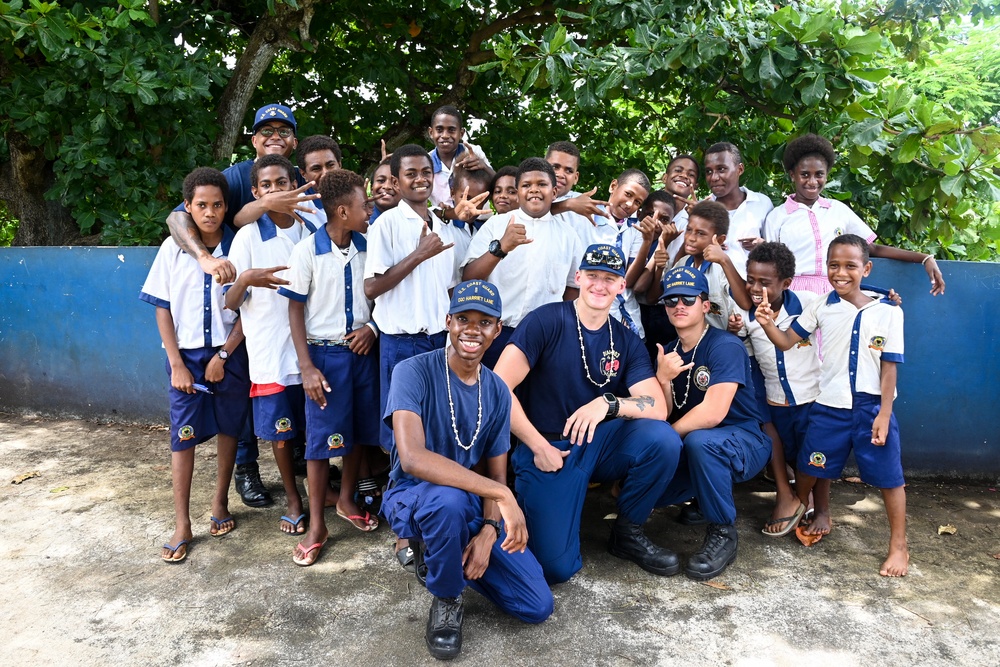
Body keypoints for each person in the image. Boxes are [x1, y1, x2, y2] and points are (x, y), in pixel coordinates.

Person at [381, 280, 553, 660]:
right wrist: (502, 496)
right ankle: (446, 595)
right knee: (447, 502)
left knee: (536, 605)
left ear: (497, 329)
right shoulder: (412, 371)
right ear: (448, 322)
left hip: (470, 503)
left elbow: (495, 476)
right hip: (413, 493)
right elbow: (412, 458)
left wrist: (490, 532)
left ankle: (446, 552)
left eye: (484, 321)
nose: (472, 329)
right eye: (463, 318)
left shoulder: (495, 389)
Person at [494, 244, 683, 584]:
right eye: (593, 276)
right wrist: (537, 445)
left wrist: (608, 403)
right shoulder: (546, 320)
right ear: (578, 277)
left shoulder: (625, 339)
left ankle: (628, 531)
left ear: (621, 286)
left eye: (610, 278)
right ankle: (539, 503)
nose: (600, 285)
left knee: (663, 440)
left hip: (598, 442)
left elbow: (657, 406)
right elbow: (498, 388)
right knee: (555, 569)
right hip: (549, 448)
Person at [165, 103, 318, 509]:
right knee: (250, 398)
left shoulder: (303, 180)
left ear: (295, 141)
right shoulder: (235, 177)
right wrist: (205, 258)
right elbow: (178, 218)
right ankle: (247, 469)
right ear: (252, 139)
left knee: (290, 396)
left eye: (284, 130)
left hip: (292, 318)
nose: (274, 135)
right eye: (265, 129)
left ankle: (305, 464)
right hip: (244, 303)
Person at [754, 234, 909, 576]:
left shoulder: (888, 312)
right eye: (833, 265)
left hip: (871, 409)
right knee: (811, 463)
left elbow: (889, 367)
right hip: (829, 406)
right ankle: (799, 502)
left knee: (889, 478)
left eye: (851, 266)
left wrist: (884, 413)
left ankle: (899, 546)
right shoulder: (821, 306)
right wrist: (766, 323)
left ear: (866, 268)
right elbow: (785, 342)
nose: (840, 273)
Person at [140, 167, 251, 562]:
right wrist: (177, 365)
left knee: (228, 430)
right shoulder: (173, 248)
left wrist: (224, 355)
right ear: (187, 207)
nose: (210, 212)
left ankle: (220, 503)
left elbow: (249, 314)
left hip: (230, 355)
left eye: (217, 205)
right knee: (182, 437)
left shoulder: (240, 246)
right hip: (186, 356)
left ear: (226, 207)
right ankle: (182, 521)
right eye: (201, 205)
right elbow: (163, 310)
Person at [280, 169, 381, 566]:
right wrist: (306, 367)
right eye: (363, 204)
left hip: (362, 352)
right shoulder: (307, 251)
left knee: (356, 433)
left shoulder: (368, 246)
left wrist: (371, 329)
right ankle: (318, 523)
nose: (369, 209)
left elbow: (379, 298)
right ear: (342, 210)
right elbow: (294, 309)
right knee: (323, 442)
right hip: (325, 357)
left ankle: (347, 499)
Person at [653, 266, 771, 580]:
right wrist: (663, 379)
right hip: (697, 447)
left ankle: (723, 532)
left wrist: (670, 441)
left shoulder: (725, 345)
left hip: (743, 441)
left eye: (688, 299)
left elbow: (714, 413)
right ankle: (704, 500)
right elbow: (664, 413)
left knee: (700, 441)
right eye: (671, 300)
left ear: (705, 305)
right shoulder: (670, 351)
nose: (678, 305)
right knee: (647, 493)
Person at [225, 154, 317, 537]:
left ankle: (319, 491)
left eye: (283, 182)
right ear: (256, 192)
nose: (276, 190)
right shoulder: (248, 236)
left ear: (294, 183)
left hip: (311, 349)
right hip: (270, 352)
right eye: (267, 186)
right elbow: (230, 303)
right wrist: (245, 279)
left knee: (314, 427)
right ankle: (294, 500)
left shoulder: (313, 227)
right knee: (280, 433)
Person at [764, 133, 945, 296]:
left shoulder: (838, 210)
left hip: (835, 294)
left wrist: (925, 258)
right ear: (792, 175)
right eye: (804, 174)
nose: (812, 181)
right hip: (793, 296)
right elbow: (771, 267)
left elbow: (872, 248)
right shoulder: (777, 217)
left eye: (819, 174)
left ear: (826, 175)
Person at [462, 158, 582, 368]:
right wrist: (501, 248)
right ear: (518, 192)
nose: (534, 190)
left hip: (545, 335)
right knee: (492, 393)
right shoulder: (496, 225)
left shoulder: (568, 235)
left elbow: (573, 287)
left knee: (534, 397)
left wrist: (562, 326)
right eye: (526, 185)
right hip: (497, 332)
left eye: (542, 185)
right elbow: (469, 278)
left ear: (554, 192)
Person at [732, 242, 818, 536]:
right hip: (773, 396)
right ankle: (787, 496)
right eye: (751, 279)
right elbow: (745, 347)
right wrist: (734, 329)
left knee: (813, 451)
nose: (755, 288)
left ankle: (813, 503)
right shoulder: (746, 313)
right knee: (775, 438)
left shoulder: (808, 302)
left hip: (811, 396)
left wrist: (886, 298)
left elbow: (845, 303)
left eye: (765, 282)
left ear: (786, 283)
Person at [649, 200, 741, 331]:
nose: (691, 238)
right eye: (689, 230)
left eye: (701, 233)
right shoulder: (682, 264)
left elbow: (744, 305)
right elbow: (653, 298)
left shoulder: (723, 267)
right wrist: (659, 269)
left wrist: (735, 324)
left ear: (719, 240)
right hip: (688, 339)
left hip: (720, 341)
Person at [704, 142, 774, 278]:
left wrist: (763, 246)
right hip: (709, 291)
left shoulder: (762, 203)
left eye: (721, 169)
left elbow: (775, 251)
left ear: (740, 169)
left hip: (750, 290)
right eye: (709, 171)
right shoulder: (703, 207)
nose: (714, 177)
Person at [426, 105, 493, 211]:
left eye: (451, 130)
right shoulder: (425, 162)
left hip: (480, 221)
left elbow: (498, 185)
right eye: (439, 130)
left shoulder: (474, 152)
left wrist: (484, 166)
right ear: (431, 132)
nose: (445, 135)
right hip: (445, 222)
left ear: (461, 133)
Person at [368, 157, 402, 224]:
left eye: (394, 182)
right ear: (372, 188)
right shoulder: (358, 222)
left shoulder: (416, 222)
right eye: (381, 180)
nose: (387, 186)